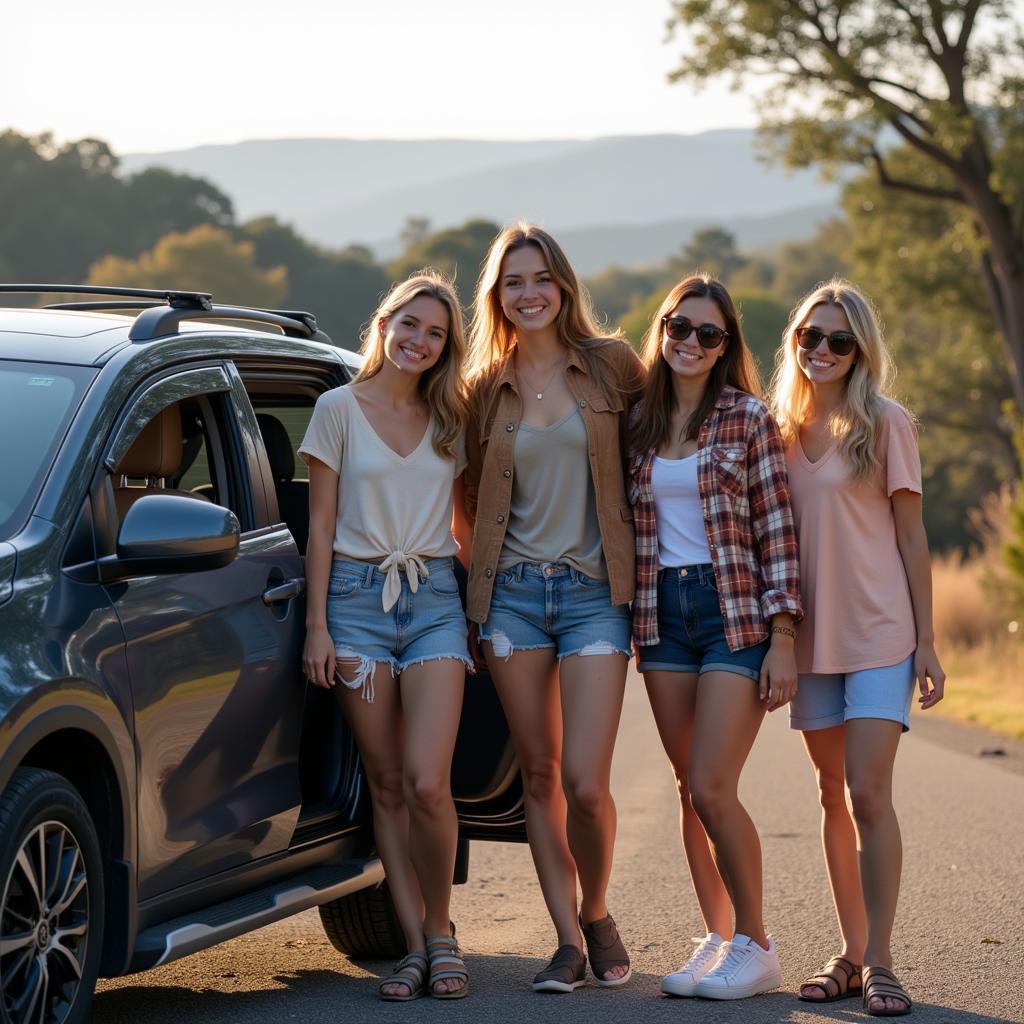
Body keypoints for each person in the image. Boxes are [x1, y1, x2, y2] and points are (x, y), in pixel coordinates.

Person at [462, 222, 644, 992]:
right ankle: (568, 940)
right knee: (537, 773)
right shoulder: (481, 387)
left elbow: (662, 448)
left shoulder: (612, 366)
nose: (528, 293)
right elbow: (464, 498)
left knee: (586, 783)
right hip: (511, 600)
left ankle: (596, 907)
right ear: (497, 296)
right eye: (513, 282)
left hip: (595, 594)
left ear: (563, 285)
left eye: (540, 278)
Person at [771, 279, 945, 1017]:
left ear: (861, 349)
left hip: (880, 635)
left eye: (840, 340)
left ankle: (881, 962)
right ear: (795, 342)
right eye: (811, 337)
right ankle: (847, 951)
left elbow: (911, 535)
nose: (823, 351)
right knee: (829, 793)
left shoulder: (885, 423)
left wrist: (928, 642)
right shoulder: (776, 428)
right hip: (810, 643)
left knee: (869, 793)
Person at [300, 270, 473, 1001]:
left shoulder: (452, 417)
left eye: (435, 333)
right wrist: (316, 626)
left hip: (433, 598)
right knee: (390, 783)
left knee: (431, 782)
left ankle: (442, 931)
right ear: (385, 324)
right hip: (355, 604)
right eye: (410, 324)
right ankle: (412, 947)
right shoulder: (337, 408)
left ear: (445, 346)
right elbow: (320, 526)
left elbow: (468, 526)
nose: (419, 341)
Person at [629, 274, 802, 1000]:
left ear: (726, 345)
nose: (689, 342)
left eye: (708, 333)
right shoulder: (637, 419)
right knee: (686, 789)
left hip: (734, 615)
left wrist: (785, 634)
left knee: (712, 785)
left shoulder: (748, 418)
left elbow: (778, 529)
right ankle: (720, 935)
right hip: (661, 614)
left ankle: (757, 946)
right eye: (679, 326)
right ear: (662, 328)